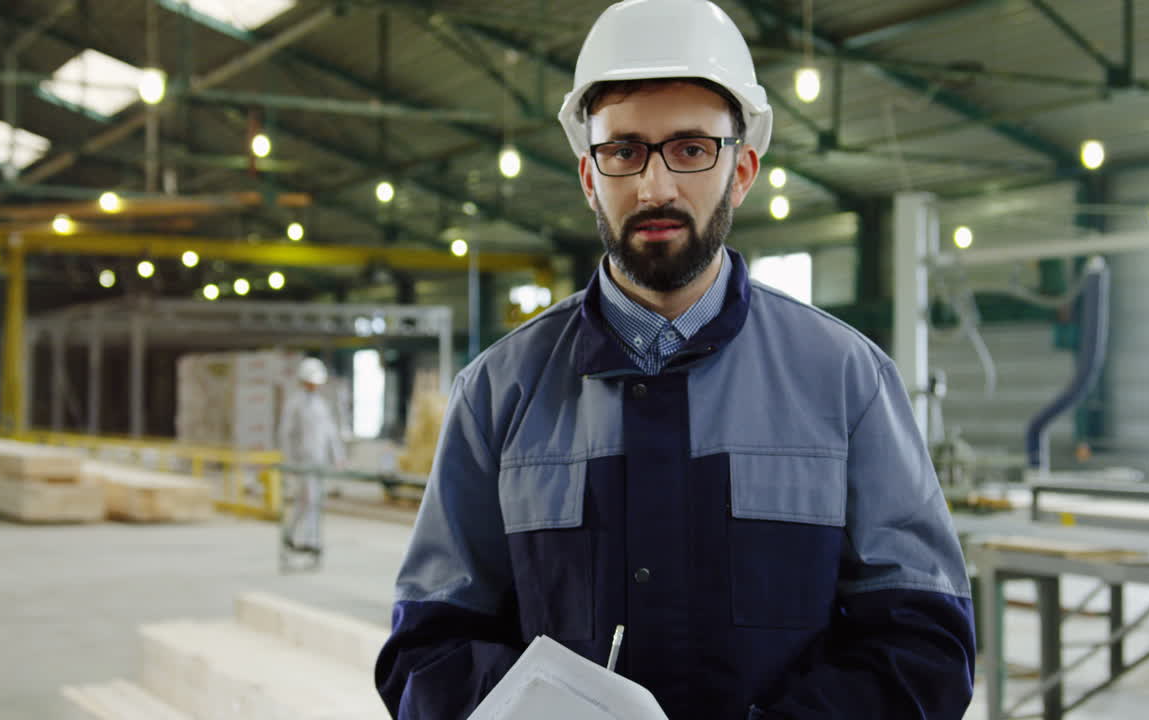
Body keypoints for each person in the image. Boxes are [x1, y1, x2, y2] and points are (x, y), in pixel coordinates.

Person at [374, 1, 974, 717]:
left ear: (743, 170)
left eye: (691, 149)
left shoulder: (848, 383)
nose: (655, 187)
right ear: (589, 176)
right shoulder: (497, 394)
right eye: (624, 151)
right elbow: (426, 649)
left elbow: (925, 648)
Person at [277, 356, 345, 557]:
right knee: (311, 499)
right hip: (302, 461)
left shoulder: (321, 405)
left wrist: (338, 456)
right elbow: (286, 434)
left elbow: (330, 432)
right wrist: (290, 462)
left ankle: (290, 533)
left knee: (306, 501)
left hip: (318, 460)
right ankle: (310, 541)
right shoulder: (295, 403)